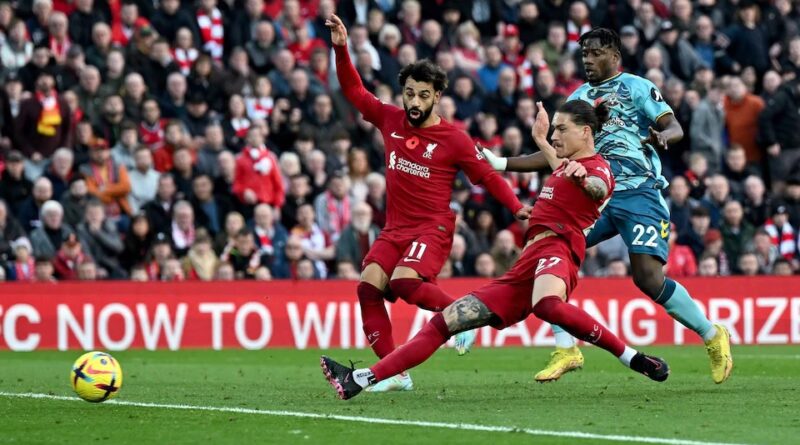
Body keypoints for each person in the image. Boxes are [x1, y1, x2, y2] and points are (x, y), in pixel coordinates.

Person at [321, 100, 669, 400]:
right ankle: (361, 379)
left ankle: (631, 357)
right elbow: (561, 166)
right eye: (554, 129)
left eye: (562, 129)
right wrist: (539, 139)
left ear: (586, 132)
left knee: (547, 304)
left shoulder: (597, 168)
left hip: (559, 247)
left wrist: (582, 178)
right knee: (444, 322)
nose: (555, 136)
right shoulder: (566, 166)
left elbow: (597, 188)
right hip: (524, 264)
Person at [480, 28, 732, 384]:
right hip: (593, 197)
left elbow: (674, 125)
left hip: (639, 191)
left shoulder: (637, 87)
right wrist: (502, 163)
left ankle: (712, 334)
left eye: (595, 53)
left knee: (647, 278)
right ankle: (566, 348)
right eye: (584, 53)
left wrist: (663, 136)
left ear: (614, 55)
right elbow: (556, 152)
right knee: (548, 251)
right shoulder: (579, 98)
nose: (587, 59)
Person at [326, 14, 531, 393]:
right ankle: (396, 374)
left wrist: (516, 206)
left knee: (404, 282)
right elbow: (354, 90)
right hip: (395, 228)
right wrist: (341, 48)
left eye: (423, 95)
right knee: (368, 288)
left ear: (437, 96)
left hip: (432, 227)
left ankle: (464, 316)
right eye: (409, 93)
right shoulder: (390, 119)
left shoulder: (455, 139)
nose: (415, 101)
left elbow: (487, 176)